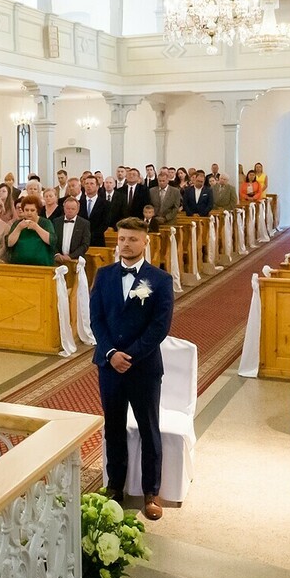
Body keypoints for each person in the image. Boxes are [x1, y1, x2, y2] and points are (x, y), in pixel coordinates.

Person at [88, 218, 174, 521]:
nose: (126, 244)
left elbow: (159, 327)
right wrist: (111, 353)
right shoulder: (104, 275)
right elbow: (96, 318)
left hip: (143, 367)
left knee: (149, 428)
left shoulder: (160, 280)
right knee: (113, 427)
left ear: (145, 242)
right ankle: (114, 486)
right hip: (109, 366)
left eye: (133, 239)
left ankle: (152, 490)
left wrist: (130, 356)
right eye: (122, 238)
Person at [6, 194, 55, 265]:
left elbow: (51, 241)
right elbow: (9, 243)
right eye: (26, 210)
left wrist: (36, 227)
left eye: (32, 210)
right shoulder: (17, 224)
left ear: (37, 211)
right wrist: (18, 228)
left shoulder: (45, 223)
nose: (29, 213)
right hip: (19, 265)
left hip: (42, 265)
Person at [53, 195, 93, 264]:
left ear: (77, 210)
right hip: (58, 260)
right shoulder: (56, 222)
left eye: (73, 209)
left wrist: (71, 256)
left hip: (76, 260)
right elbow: (52, 240)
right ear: (64, 208)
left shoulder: (84, 223)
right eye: (68, 208)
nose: (70, 211)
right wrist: (57, 254)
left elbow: (85, 244)